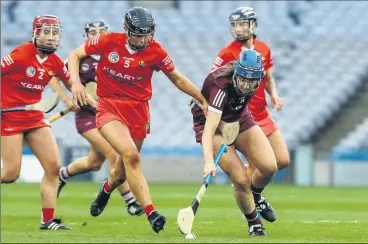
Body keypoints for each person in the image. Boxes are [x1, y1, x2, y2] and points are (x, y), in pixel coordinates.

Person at [67, 7, 208, 233]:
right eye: (138, 34)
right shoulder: (107, 41)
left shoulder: (156, 51)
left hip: (139, 112)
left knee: (122, 170)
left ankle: (107, 187)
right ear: (126, 30)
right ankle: (151, 212)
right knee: (131, 155)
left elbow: (177, 78)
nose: (143, 39)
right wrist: (75, 83)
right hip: (109, 106)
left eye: (147, 34)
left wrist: (202, 99)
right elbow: (74, 55)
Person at [50, 19, 143, 216]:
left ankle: (62, 175)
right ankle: (131, 202)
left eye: (102, 31)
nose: (97, 35)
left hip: (108, 113)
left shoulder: (113, 56)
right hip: (87, 117)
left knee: (94, 163)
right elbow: (55, 77)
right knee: (113, 152)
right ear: (87, 35)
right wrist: (67, 99)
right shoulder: (79, 57)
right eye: (93, 32)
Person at [211, 6, 290, 222]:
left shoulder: (264, 49)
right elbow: (213, 78)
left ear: (253, 25)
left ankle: (255, 195)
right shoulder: (226, 53)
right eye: (234, 24)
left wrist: (274, 95)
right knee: (260, 166)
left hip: (261, 114)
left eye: (242, 23)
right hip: (241, 117)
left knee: (282, 160)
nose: (238, 29)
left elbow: (269, 78)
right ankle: (253, 201)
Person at [191, 49, 277, 236]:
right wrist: (208, 162)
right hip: (210, 124)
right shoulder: (220, 85)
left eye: (251, 81)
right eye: (243, 79)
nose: (246, 85)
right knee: (240, 179)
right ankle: (254, 222)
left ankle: (254, 196)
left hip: (238, 117)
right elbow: (209, 130)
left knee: (270, 167)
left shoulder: (256, 78)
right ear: (236, 73)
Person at [1, 14, 71, 230]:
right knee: (10, 174)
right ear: (36, 34)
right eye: (46, 33)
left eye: (55, 33)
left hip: (35, 118)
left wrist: (81, 100)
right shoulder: (20, 54)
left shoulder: (55, 62)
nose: (51, 38)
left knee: (53, 167)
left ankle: (48, 220)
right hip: (9, 117)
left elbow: (72, 85)